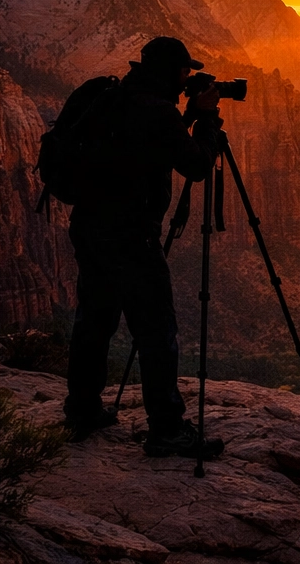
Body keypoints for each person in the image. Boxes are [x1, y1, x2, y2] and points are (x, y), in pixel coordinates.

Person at [62, 35, 225, 459]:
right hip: (131, 237)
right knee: (156, 331)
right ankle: (167, 428)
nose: (187, 79)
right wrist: (206, 121)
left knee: (94, 320)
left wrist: (187, 115)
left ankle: (82, 409)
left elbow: (149, 146)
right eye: (184, 72)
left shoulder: (118, 98)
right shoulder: (157, 112)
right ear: (171, 72)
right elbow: (196, 165)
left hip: (90, 227)